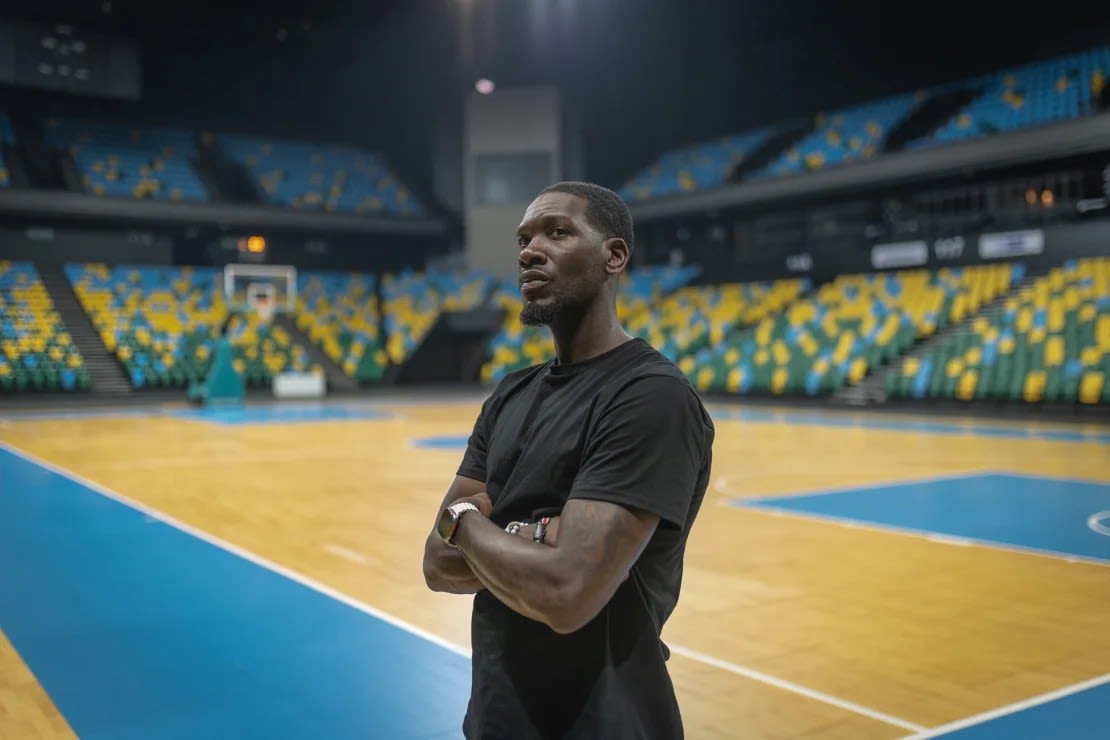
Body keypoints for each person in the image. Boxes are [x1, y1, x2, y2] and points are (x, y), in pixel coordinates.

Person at [422, 181, 715, 739]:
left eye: (558, 232)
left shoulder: (649, 395)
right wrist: (534, 536)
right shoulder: (510, 393)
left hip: (608, 722)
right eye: (525, 238)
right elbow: (437, 566)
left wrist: (467, 521)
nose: (530, 250)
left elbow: (566, 593)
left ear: (614, 256)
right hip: (495, 720)